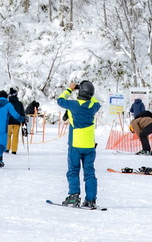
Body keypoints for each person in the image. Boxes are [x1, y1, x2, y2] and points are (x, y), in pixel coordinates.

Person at [56, 80, 100, 208]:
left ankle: (74, 196)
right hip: (90, 146)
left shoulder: (73, 105)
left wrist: (70, 89)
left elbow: (60, 100)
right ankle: (91, 199)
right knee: (90, 173)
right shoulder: (93, 106)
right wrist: (88, 91)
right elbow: (95, 101)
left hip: (75, 144)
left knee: (73, 171)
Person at [0, 90, 24, 167]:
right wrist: (22, 118)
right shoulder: (8, 105)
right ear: (6, 97)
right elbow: (15, 115)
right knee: (3, 146)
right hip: (3, 128)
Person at [6, 88, 25, 154]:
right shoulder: (20, 104)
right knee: (15, 136)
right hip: (17, 121)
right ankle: (14, 150)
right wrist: (23, 120)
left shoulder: (7, 103)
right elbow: (22, 113)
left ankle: (7, 148)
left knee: (8, 135)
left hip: (8, 122)